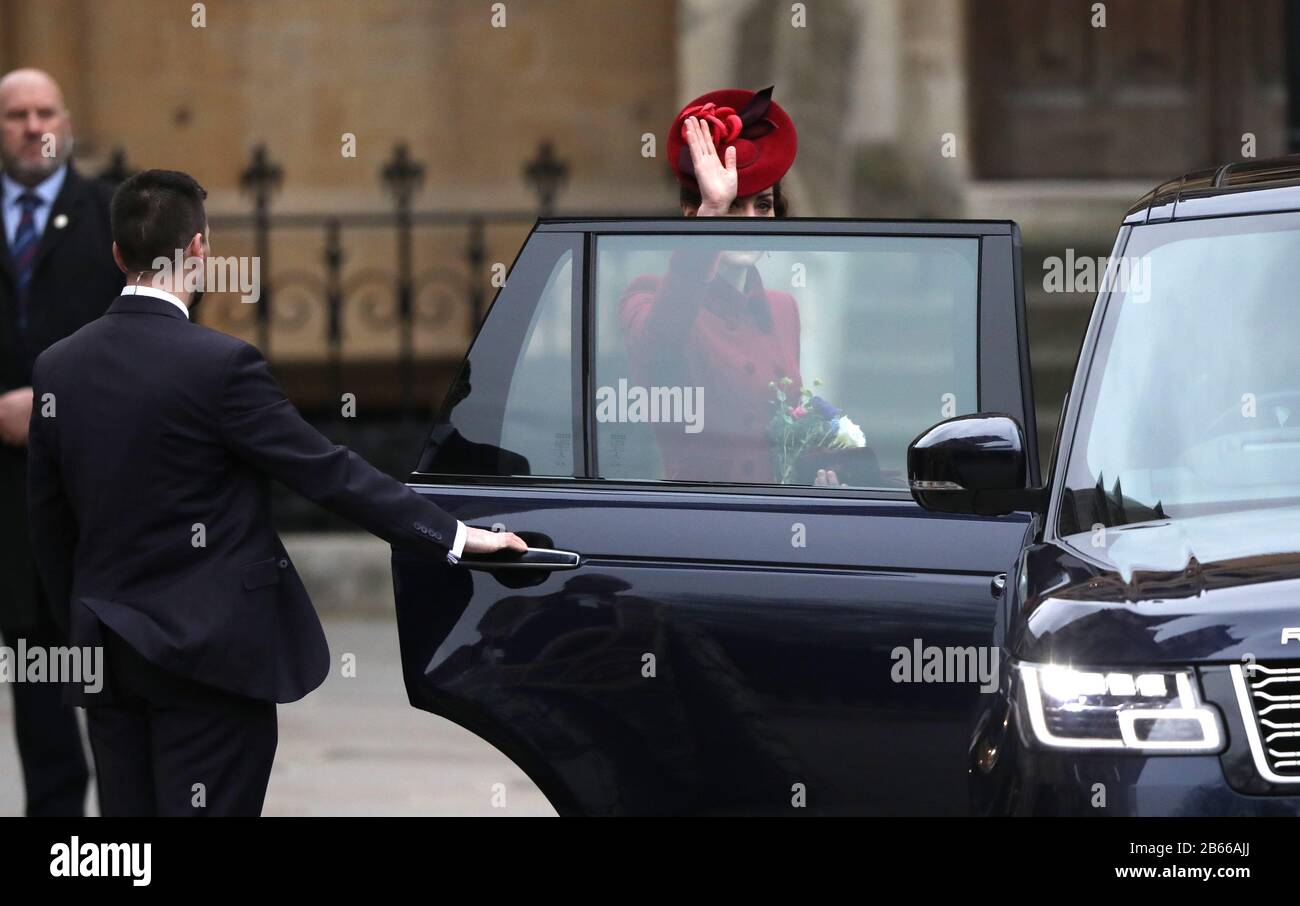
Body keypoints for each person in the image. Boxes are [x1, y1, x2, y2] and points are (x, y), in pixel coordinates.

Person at [26, 169, 527, 816]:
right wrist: (456, 535)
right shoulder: (221, 367)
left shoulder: (57, 366)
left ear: (117, 254)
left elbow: (47, 519)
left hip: (109, 659)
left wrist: (85, 615)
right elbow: (329, 472)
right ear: (199, 249)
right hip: (210, 659)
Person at [0, 67, 124, 816]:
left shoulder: (114, 215)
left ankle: (123, 836)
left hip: (99, 487)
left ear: (66, 120)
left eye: (44, 110)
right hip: (10, 504)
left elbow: (155, 326)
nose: (31, 124)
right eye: (16, 113)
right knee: (36, 670)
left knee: (115, 675)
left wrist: (50, 404)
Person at [620, 85, 850, 485]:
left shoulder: (781, 308)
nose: (749, 221)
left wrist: (816, 477)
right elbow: (659, 338)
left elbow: (783, 429)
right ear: (694, 213)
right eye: (731, 206)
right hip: (701, 520)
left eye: (762, 206)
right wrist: (712, 214)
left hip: (777, 520)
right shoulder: (648, 293)